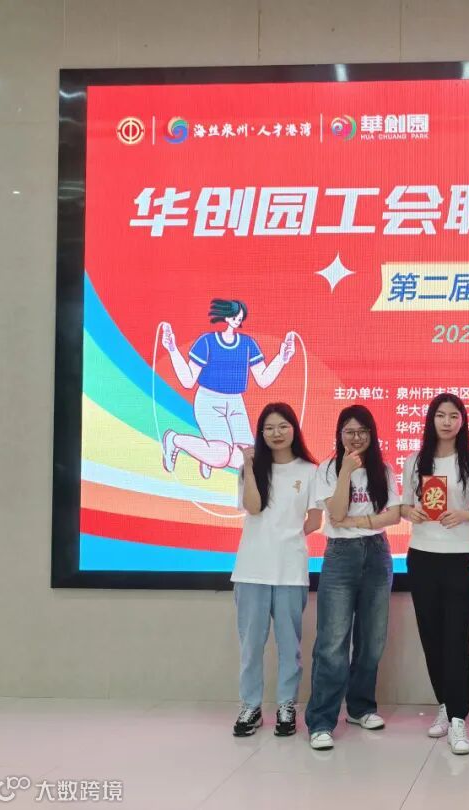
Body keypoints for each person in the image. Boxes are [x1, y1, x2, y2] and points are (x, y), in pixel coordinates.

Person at [401, 394, 469, 755]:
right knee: (432, 636)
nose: (446, 422)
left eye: (453, 416)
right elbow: (404, 504)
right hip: (422, 554)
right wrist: (411, 512)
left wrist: (466, 514)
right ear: (431, 420)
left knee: (456, 638)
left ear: (462, 422)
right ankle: (444, 703)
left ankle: (458, 718)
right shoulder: (415, 461)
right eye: (440, 415)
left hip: (460, 557)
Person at [305, 405, 401, 750]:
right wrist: (346, 470)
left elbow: (394, 516)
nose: (356, 437)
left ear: (372, 435)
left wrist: (361, 523)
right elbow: (336, 513)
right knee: (332, 643)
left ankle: (361, 708)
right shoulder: (327, 469)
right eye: (349, 431)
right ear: (339, 434)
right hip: (340, 556)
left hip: (377, 553)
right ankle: (321, 721)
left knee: (372, 640)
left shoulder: (383, 470)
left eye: (362, 431)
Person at [231, 402, 320, 738]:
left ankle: (286, 705)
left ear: (294, 428)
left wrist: (288, 537)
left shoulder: (309, 471)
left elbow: (315, 520)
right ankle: (250, 706)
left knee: (289, 645)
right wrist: (249, 465)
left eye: (283, 426)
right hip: (251, 570)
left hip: (290, 571)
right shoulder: (250, 470)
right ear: (260, 433)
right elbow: (253, 507)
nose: (276, 433)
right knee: (251, 646)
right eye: (269, 428)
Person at [160, 299, 295, 479]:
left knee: (249, 460)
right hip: (209, 400)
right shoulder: (207, 341)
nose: (238, 319)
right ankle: (174, 439)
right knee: (221, 456)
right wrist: (172, 350)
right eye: (235, 315)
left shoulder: (247, 344)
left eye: (240, 317)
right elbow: (187, 380)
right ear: (226, 315)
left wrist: (282, 358)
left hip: (235, 402)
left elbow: (263, 380)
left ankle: (207, 454)